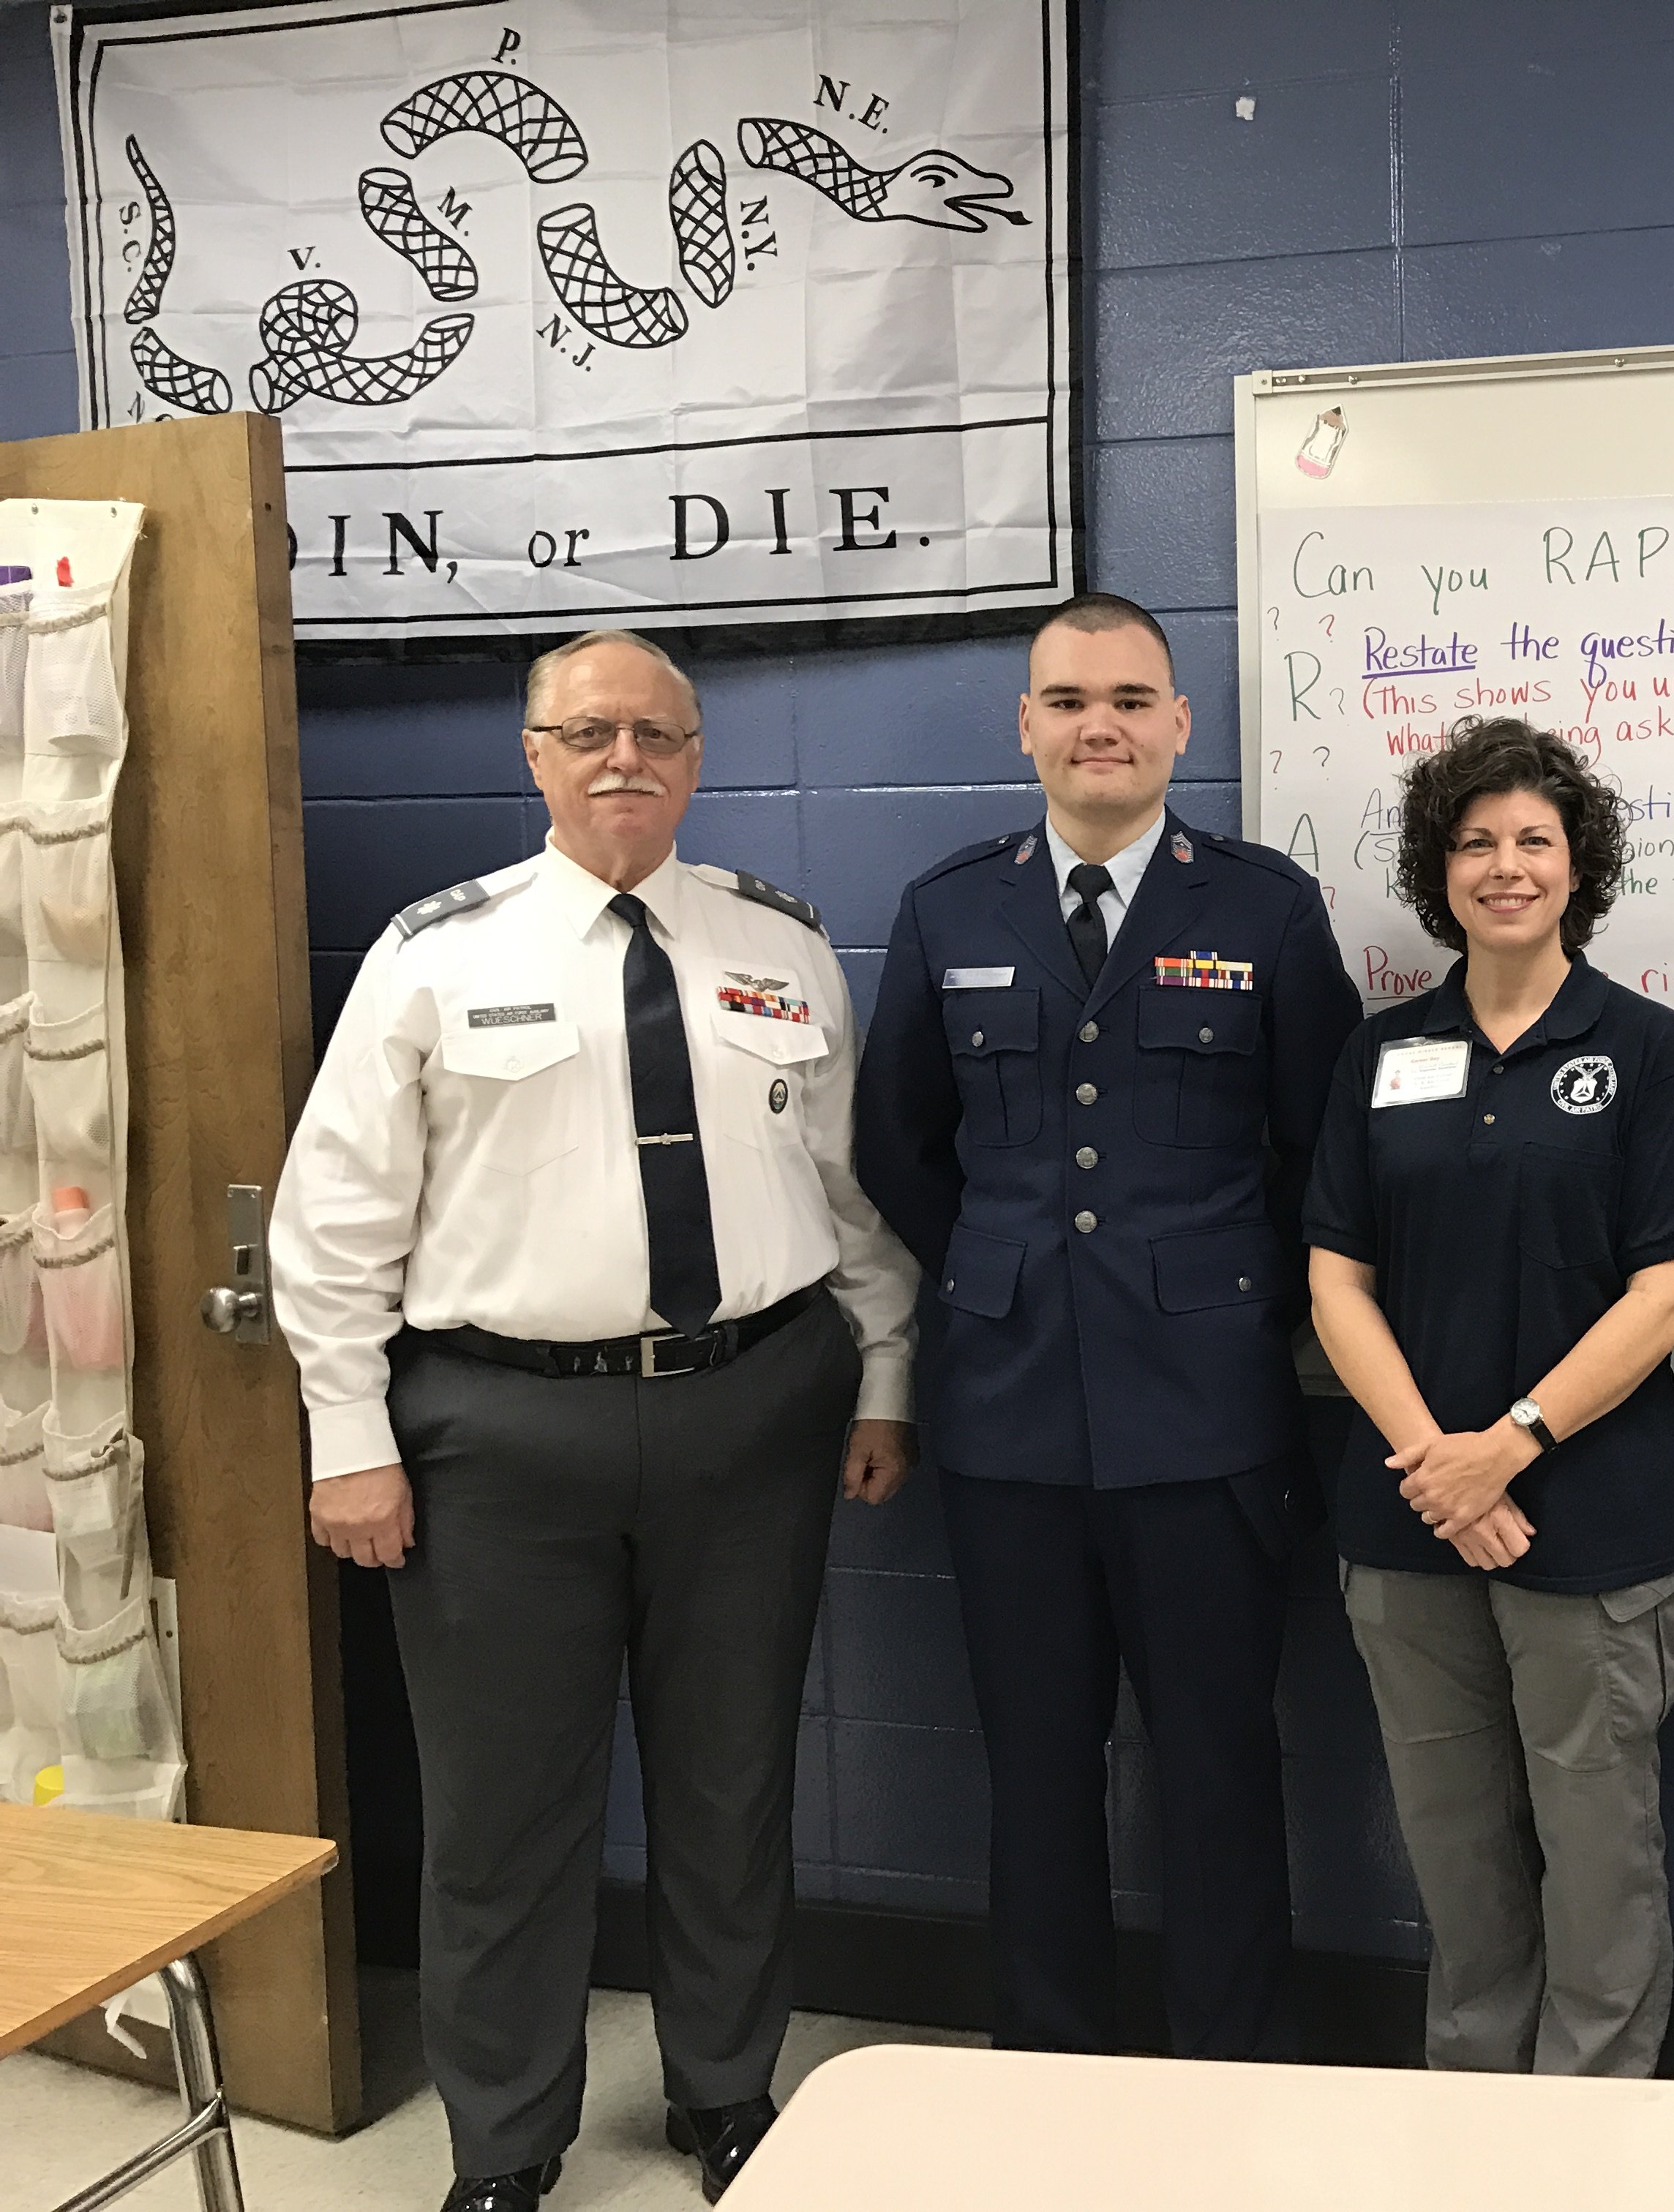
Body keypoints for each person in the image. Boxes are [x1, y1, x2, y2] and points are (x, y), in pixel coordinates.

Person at [271, 628, 919, 2212]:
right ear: (536, 756)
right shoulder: (435, 956)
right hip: (500, 1438)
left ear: (694, 758)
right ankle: (505, 2144)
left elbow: (851, 1194)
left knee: (732, 1781)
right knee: (502, 1813)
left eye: (655, 733)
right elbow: (335, 1216)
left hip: (751, 1416)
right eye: (587, 733)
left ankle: (727, 2092)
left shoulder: (781, 945)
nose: (623, 757)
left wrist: (886, 1375)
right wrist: (346, 1433)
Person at [852, 591, 1361, 2062]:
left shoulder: (1264, 910)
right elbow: (898, 1145)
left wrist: (1225, 1297)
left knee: (1217, 1767)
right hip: (1009, 1418)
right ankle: (1049, 2067)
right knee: (1034, 1772)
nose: (1101, 726)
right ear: (1027, 725)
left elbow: (1323, 1153)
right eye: (1070, 700)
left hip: (1205, 1420)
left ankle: (1229, 2068)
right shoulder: (951, 908)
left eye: (1132, 699)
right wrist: (1002, 1271)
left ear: (1179, 725)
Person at [1302, 717, 1674, 2077]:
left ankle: (1589, 2126)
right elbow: (1335, 1282)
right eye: (1475, 841)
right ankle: (1475, 2112)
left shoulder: (1647, 1050)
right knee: (1453, 1844)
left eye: (1533, 840)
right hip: (1413, 1519)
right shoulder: (1383, 1055)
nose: (1506, 866)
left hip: (1592, 1522)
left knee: (1600, 1851)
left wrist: (1511, 1445)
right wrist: (1442, 1464)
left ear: (1576, 864)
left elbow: (1667, 1298)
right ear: (1439, 872)